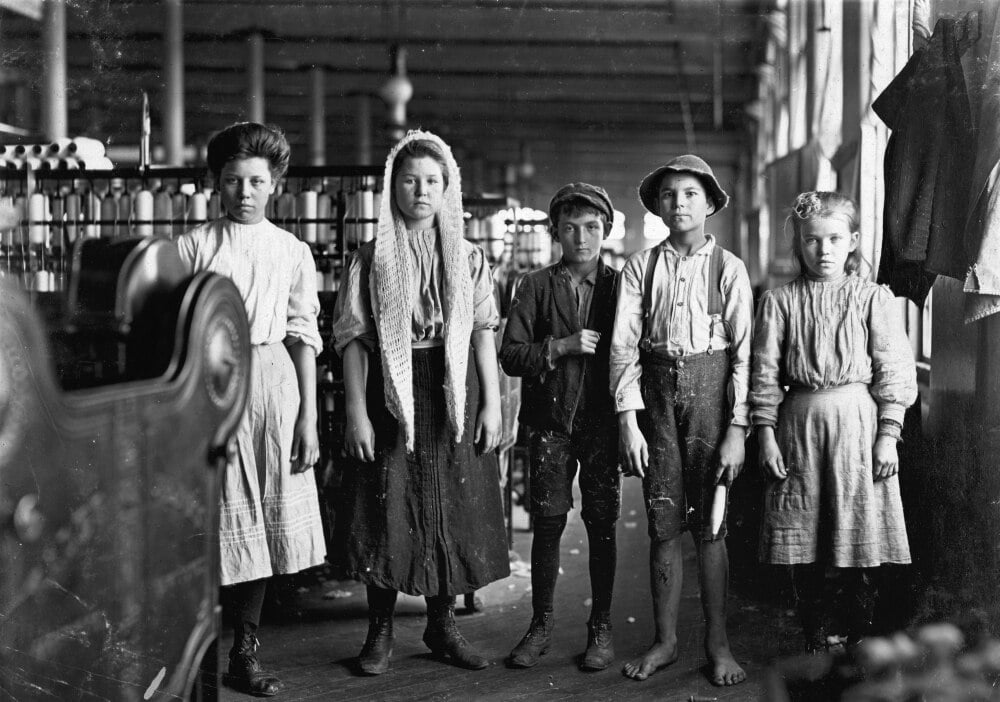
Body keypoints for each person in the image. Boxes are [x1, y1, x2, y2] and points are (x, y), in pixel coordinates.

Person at [332, 130, 509, 675]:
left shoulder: (467, 256)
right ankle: (380, 630)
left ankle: (442, 625)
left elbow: (482, 332)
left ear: (447, 187)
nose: (421, 190)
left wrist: (492, 404)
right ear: (393, 187)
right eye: (409, 180)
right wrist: (358, 411)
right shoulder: (370, 257)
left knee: (449, 504)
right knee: (389, 500)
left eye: (432, 181)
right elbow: (353, 342)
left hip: (452, 384)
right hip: (392, 386)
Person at [176, 122, 326, 697]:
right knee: (215, 515)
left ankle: (244, 653)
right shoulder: (193, 246)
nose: (245, 192)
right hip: (207, 380)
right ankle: (198, 657)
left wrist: (308, 415)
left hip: (272, 386)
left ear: (275, 186)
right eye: (233, 180)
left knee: (261, 518)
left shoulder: (291, 250)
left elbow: (302, 335)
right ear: (216, 183)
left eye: (257, 181)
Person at [750, 191, 917, 652]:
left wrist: (889, 434)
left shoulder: (873, 299)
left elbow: (895, 370)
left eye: (834, 238)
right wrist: (765, 436)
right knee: (805, 541)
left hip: (858, 428)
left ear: (853, 241)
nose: (823, 250)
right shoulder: (779, 302)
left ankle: (858, 643)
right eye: (812, 240)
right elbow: (763, 375)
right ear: (799, 246)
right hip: (799, 427)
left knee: (858, 533)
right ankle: (816, 640)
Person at [610, 155, 751, 686]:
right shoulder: (640, 268)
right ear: (658, 206)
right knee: (663, 524)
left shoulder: (729, 269)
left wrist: (737, 428)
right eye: (669, 195)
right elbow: (623, 348)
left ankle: (717, 643)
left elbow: (744, 356)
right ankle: (666, 641)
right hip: (657, 399)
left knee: (711, 527)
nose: (679, 203)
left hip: (713, 400)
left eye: (690, 193)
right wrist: (628, 419)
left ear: (710, 203)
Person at [499, 183, 621, 671]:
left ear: (605, 231)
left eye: (591, 227)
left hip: (602, 423)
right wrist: (560, 346)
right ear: (554, 232)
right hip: (550, 423)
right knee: (548, 523)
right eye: (569, 228)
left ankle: (602, 627)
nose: (581, 238)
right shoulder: (533, 285)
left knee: (603, 525)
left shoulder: (622, 285)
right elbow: (510, 355)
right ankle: (541, 625)